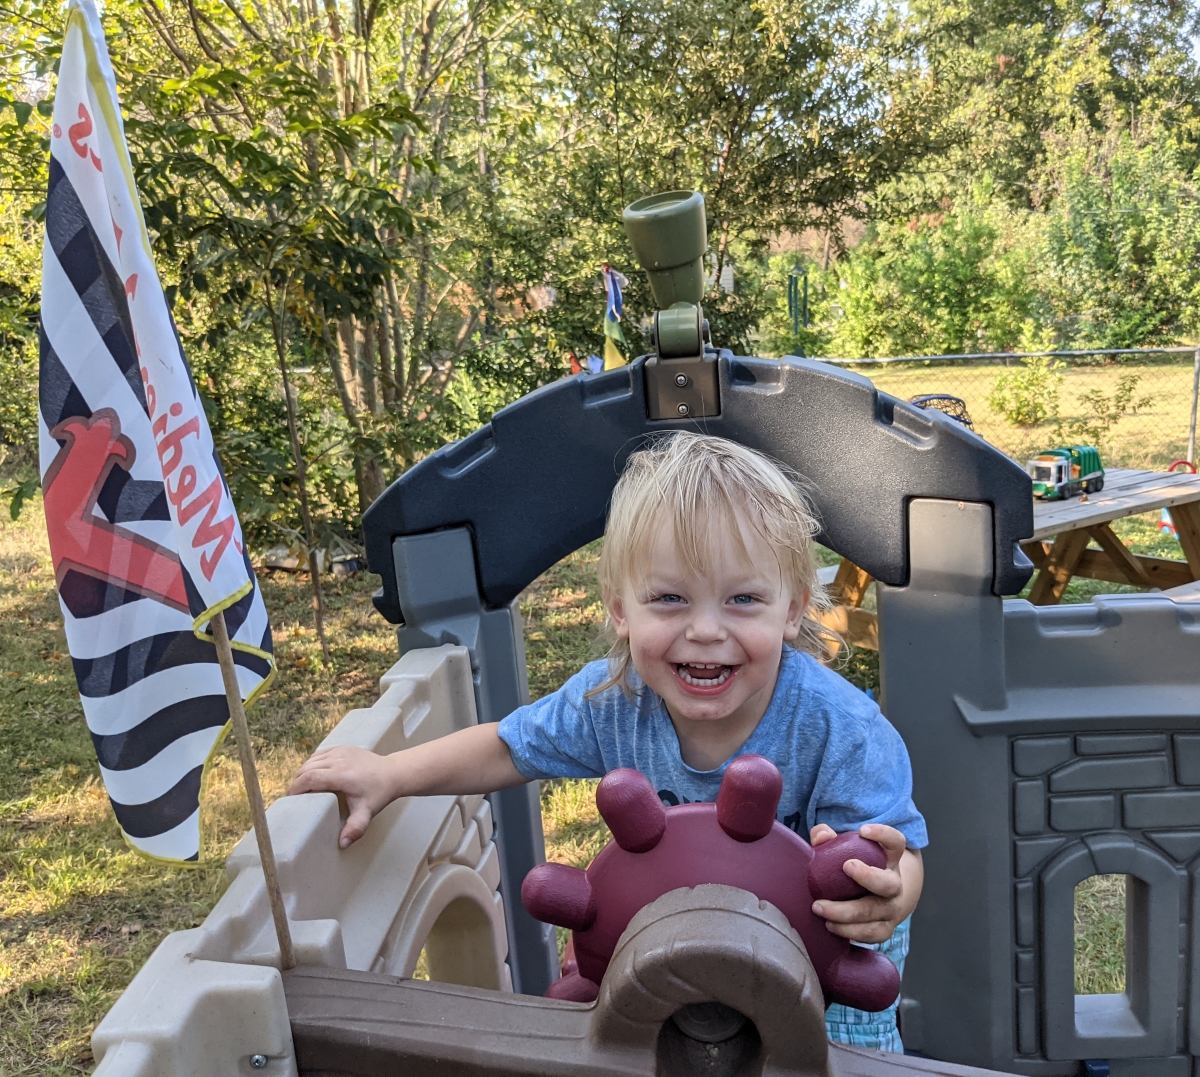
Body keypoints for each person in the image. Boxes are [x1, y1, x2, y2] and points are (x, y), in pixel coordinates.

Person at [289, 431, 927, 1051]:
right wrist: (390, 775)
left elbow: (897, 858)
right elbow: (508, 747)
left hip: (822, 971)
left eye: (742, 600)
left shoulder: (840, 730)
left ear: (791, 610)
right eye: (670, 599)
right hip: (669, 947)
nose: (705, 630)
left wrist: (892, 897)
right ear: (621, 610)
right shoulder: (614, 700)